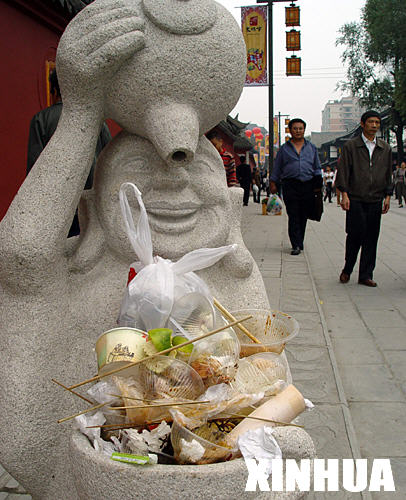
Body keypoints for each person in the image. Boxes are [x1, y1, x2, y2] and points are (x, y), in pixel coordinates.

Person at [27, 69, 111, 236]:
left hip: (57, 202)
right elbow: (109, 156)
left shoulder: (41, 119)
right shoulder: (97, 120)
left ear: (55, 89)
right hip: (92, 199)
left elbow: (34, 169)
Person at [335, 110, 392, 287]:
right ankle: (347, 269)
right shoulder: (351, 146)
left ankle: (366, 274)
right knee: (355, 234)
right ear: (362, 124)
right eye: (371, 122)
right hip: (355, 197)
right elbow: (343, 171)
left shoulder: (385, 148)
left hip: (375, 198)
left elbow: (388, 173)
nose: (374, 125)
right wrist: (344, 194)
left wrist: (388, 196)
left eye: (377, 122)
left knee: (371, 237)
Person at [270, 118, 322, 255]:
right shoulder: (284, 149)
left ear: (304, 130)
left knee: (303, 214)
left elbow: (317, 167)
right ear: (290, 130)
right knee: (293, 214)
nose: (298, 131)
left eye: (300, 128)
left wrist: (318, 184)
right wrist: (273, 182)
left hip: (308, 185)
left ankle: (300, 240)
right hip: (290, 185)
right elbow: (277, 167)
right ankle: (295, 245)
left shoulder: (311, 148)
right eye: (295, 128)